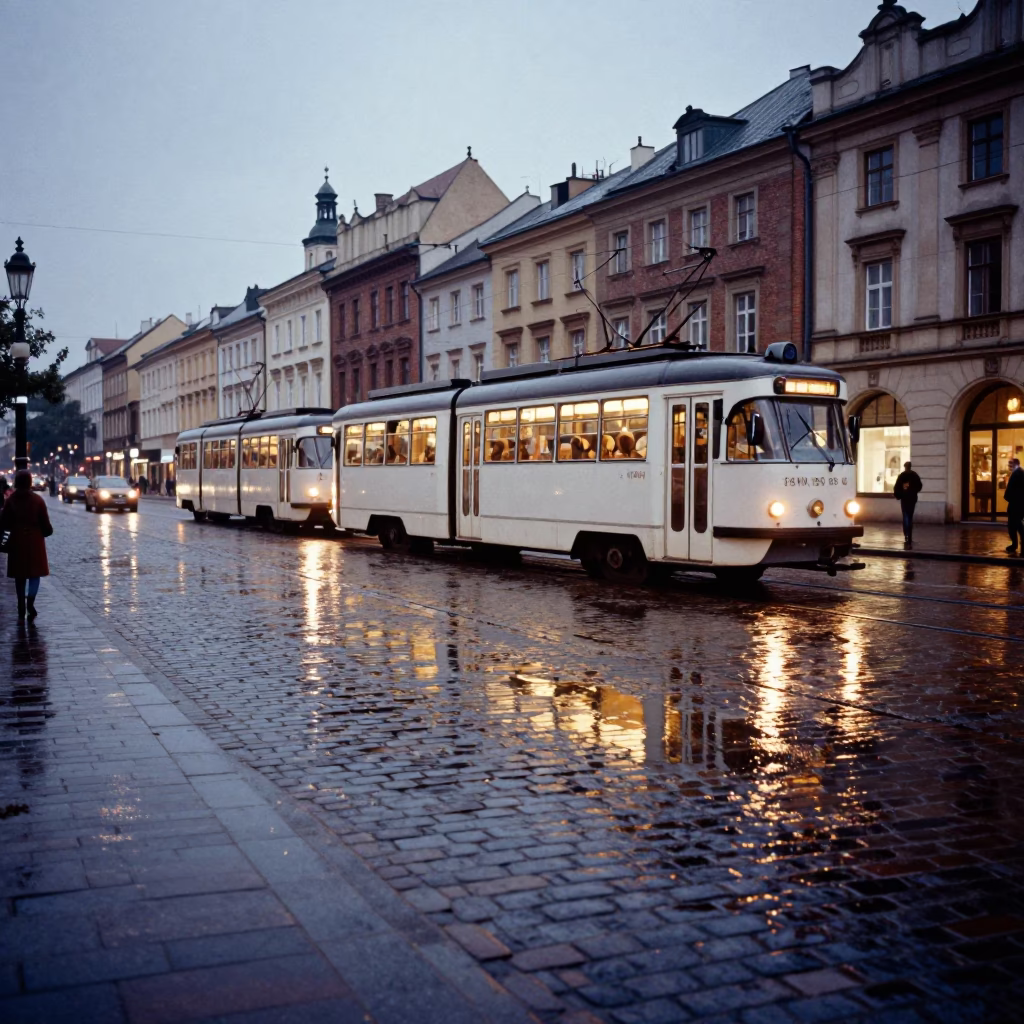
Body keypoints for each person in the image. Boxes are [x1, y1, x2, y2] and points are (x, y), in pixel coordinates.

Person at [1, 470, 53, 620]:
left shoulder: (11, 501)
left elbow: (4, 522)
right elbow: (46, 525)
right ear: (30, 482)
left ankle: (20, 604)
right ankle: (30, 602)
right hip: (34, 541)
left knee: (20, 575)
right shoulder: (37, 500)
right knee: (34, 574)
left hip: (17, 540)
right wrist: (46, 531)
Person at [893, 460, 923, 547]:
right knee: (909, 516)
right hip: (911, 498)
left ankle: (906, 534)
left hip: (905, 498)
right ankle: (908, 534)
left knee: (906, 516)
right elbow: (919, 486)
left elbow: (897, 487)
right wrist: (913, 491)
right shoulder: (914, 475)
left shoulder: (902, 476)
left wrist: (900, 494)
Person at [1004, 457, 1024, 555]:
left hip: (1016, 504)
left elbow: (1016, 490)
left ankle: (1015, 545)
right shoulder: (1018, 473)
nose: (1009, 466)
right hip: (1016, 504)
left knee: (1014, 525)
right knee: (1017, 525)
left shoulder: (1019, 473)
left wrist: (1009, 497)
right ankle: (1015, 544)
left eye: (1011, 464)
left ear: (1016, 464)